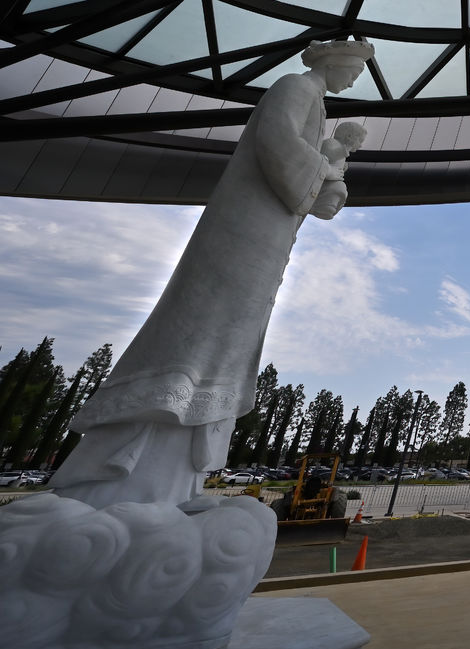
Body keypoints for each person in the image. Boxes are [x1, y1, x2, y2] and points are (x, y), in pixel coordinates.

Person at [52, 40, 375, 508]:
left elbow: (312, 184)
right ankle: (147, 437)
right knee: (212, 312)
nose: (353, 82)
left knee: (235, 321)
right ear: (333, 62)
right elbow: (279, 144)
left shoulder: (318, 106)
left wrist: (329, 175)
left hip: (270, 227)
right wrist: (324, 167)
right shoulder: (295, 87)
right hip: (248, 222)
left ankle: (178, 459)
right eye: (353, 72)